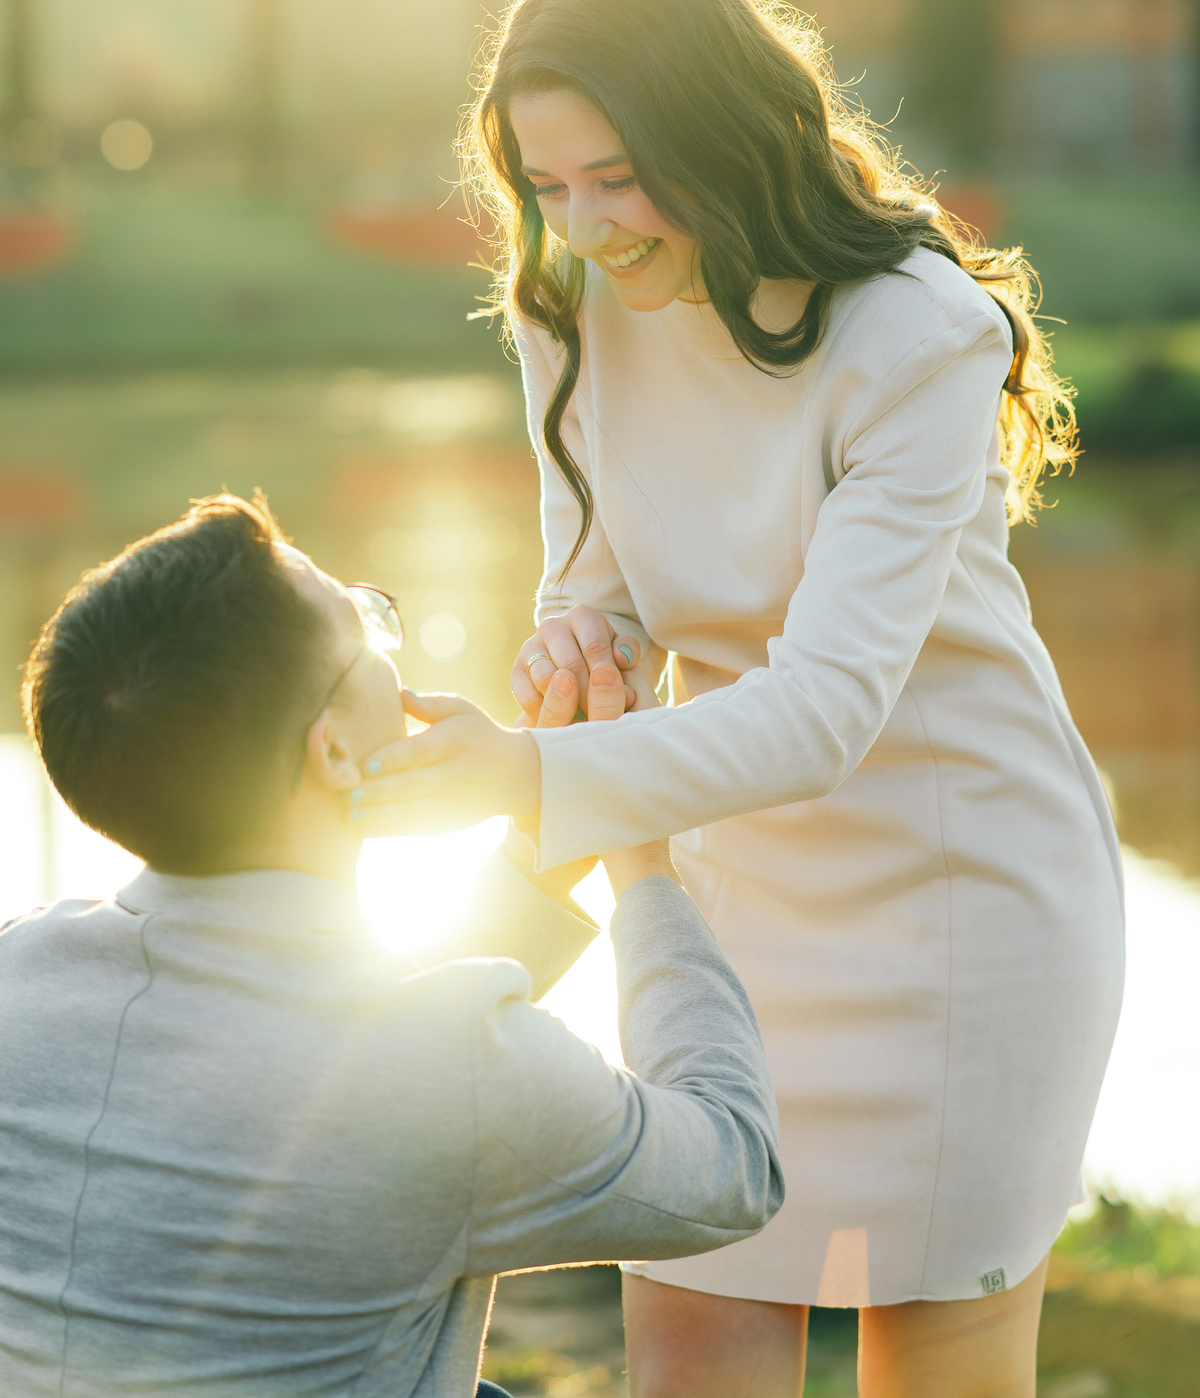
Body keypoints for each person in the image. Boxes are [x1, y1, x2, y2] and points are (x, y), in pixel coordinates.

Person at [352, 0, 1126, 1398]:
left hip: (965, 910)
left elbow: (829, 708)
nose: (580, 222)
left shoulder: (918, 333)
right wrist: (581, 640)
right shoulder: (565, 308)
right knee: (691, 1361)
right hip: (730, 915)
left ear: (718, 128)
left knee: (942, 1376)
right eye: (545, 183)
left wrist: (522, 771)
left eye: (616, 174)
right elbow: (599, 577)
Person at [0, 492, 783, 1398]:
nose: (384, 635)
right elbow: (735, 1161)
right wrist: (639, 854)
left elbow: (332, 1055)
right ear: (331, 751)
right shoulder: (453, 1069)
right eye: (364, 625)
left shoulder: (20, 976)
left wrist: (546, 837)